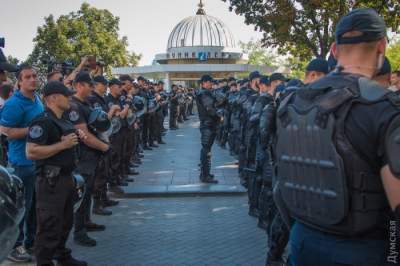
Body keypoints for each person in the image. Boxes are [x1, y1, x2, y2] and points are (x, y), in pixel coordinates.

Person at [274, 8, 400, 266]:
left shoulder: (291, 102)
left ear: (333, 49)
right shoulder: (385, 108)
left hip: (302, 241)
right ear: (382, 46)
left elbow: (280, 180)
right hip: (365, 250)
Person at [26, 81, 87, 266]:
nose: (69, 97)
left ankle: (62, 256)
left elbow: (66, 142)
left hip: (65, 178)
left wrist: (77, 137)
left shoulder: (64, 120)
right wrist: (63, 144)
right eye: (65, 95)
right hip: (50, 182)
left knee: (65, 222)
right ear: (52, 97)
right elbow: (31, 152)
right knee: (49, 226)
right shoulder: (42, 120)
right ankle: (44, 263)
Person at [0, 64, 44, 262]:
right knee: (21, 208)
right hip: (21, 164)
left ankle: (31, 242)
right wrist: (33, 129)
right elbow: (5, 131)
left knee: (34, 206)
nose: (33, 79)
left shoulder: (37, 99)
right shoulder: (14, 104)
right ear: (20, 81)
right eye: (28, 77)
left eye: (35, 76)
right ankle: (15, 247)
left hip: (38, 161)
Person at [65, 71, 109, 247]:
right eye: (89, 85)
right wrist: (104, 147)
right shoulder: (74, 106)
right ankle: (79, 232)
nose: (92, 87)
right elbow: (85, 135)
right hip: (82, 157)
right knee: (82, 194)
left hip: (92, 156)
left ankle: (86, 222)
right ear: (79, 86)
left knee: (88, 192)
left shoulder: (87, 103)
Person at [195, 75, 220, 183]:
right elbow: (210, 109)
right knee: (206, 150)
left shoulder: (205, 93)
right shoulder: (204, 93)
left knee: (207, 150)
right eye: (210, 82)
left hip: (208, 124)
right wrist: (219, 117)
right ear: (204, 83)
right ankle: (205, 175)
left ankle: (205, 174)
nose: (211, 84)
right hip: (208, 124)